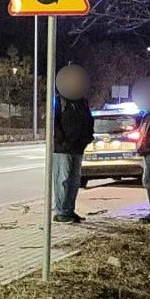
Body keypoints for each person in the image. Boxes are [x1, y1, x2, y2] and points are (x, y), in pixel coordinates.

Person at [53, 91, 94, 223]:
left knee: (74, 181)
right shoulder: (60, 101)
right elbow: (53, 122)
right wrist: (61, 140)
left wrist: (87, 138)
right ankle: (61, 212)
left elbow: (89, 121)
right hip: (63, 149)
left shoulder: (82, 102)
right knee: (63, 180)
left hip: (77, 148)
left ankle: (69, 210)